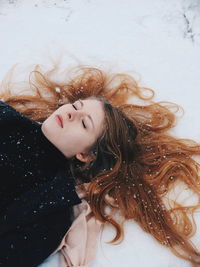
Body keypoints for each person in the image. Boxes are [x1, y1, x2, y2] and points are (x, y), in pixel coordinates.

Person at [0, 64, 200, 267]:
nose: (71, 114)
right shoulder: (8, 117)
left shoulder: (54, 203)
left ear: (85, 155)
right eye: (77, 106)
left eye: (84, 123)